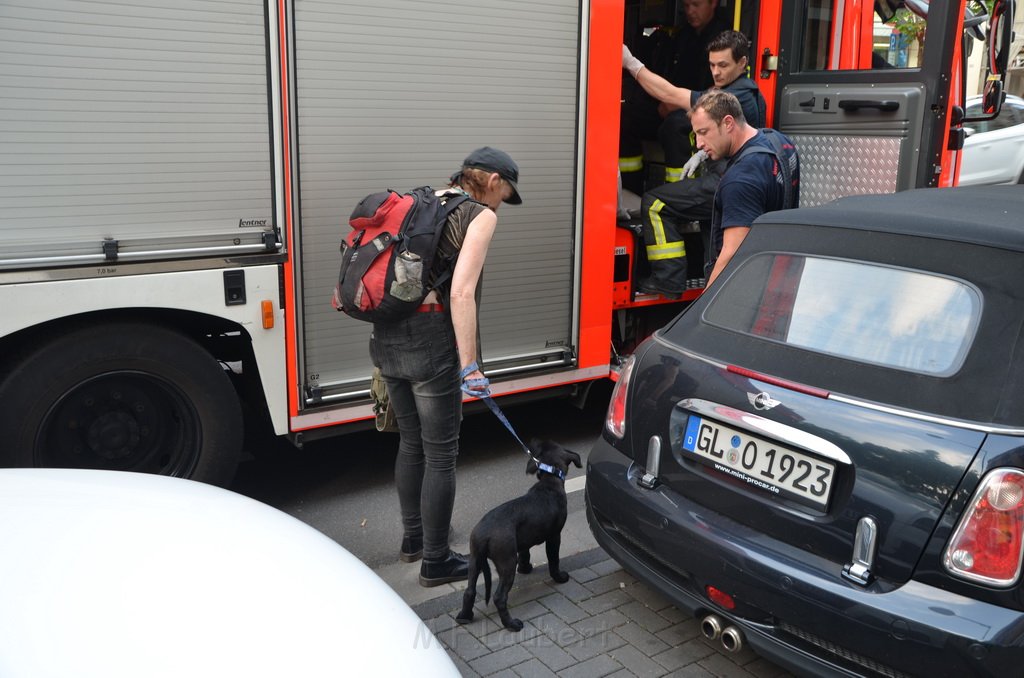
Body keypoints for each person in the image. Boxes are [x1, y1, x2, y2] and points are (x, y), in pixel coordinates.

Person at [369, 147, 522, 587]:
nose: (501, 205)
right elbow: (460, 293)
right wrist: (470, 365)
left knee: (411, 443)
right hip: (429, 341)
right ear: (493, 180)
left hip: (386, 333)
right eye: (505, 193)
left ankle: (414, 540)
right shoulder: (478, 215)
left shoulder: (421, 200)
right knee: (441, 454)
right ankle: (436, 561)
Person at [622, 31, 767, 296]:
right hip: (726, 179)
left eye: (723, 65)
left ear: (743, 63)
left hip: (726, 183)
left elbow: (671, 95)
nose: (716, 72)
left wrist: (632, 64)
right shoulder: (736, 91)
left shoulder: (739, 97)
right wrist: (703, 153)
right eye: (712, 65)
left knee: (654, 203)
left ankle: (668, 280)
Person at [689, 89, 799, 288]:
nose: (699, 144)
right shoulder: (781, 142)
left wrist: (704, 305)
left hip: (745, 285)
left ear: (728, 123)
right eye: (696, 134)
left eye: (704, 132)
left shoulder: (740, 180)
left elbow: (733, 253)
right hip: (779, 273)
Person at [619, 0, 728, 194]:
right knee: (626, 116)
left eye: (696, 5)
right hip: (670, 102)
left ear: (713, 4)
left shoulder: (724, 38)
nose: (690, 11)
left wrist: (677, 104)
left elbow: (723, 88)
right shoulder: (682, 36)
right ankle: (629, 192)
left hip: (702, 109)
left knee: (675, 127)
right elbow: (668, 74)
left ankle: (680, 198)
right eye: (686, 6)